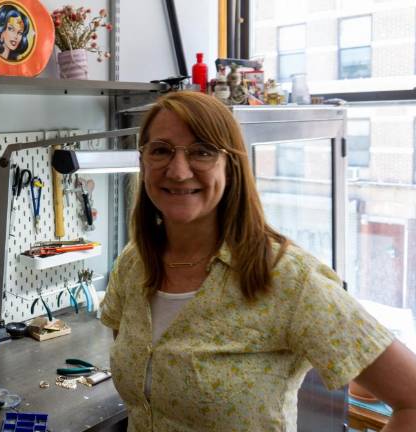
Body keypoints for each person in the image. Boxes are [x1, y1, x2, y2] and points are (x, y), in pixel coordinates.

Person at [100, 91, 416, 431]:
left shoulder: (288, 279)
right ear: (143, 160)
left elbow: (411, 400)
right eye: (160, 150)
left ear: (231, 165)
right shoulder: (135, 264)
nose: (178, 171)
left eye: (202, 151)